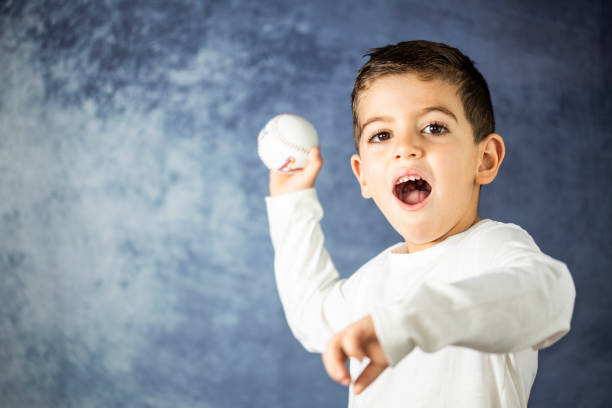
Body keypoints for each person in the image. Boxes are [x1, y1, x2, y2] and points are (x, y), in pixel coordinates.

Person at [264, 40, 576, 407]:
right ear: (363, 177)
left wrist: (408, 323)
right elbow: (312, 315)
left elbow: (550, 297)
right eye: (382, 135)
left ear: (485, 159)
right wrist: (291, 203)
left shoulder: (491, 250)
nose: (406, 147)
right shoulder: (375, 281)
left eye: (434, 127)